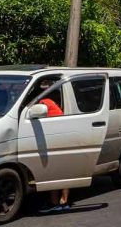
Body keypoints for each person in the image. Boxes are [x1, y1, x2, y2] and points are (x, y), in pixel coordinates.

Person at [36, 83, 70, 212]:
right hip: (61, 137)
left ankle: (55, 203)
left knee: (54, 173)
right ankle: (64, 201)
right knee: (62, 172)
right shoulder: (52, 103)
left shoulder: (44, 102)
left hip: (55, 139)